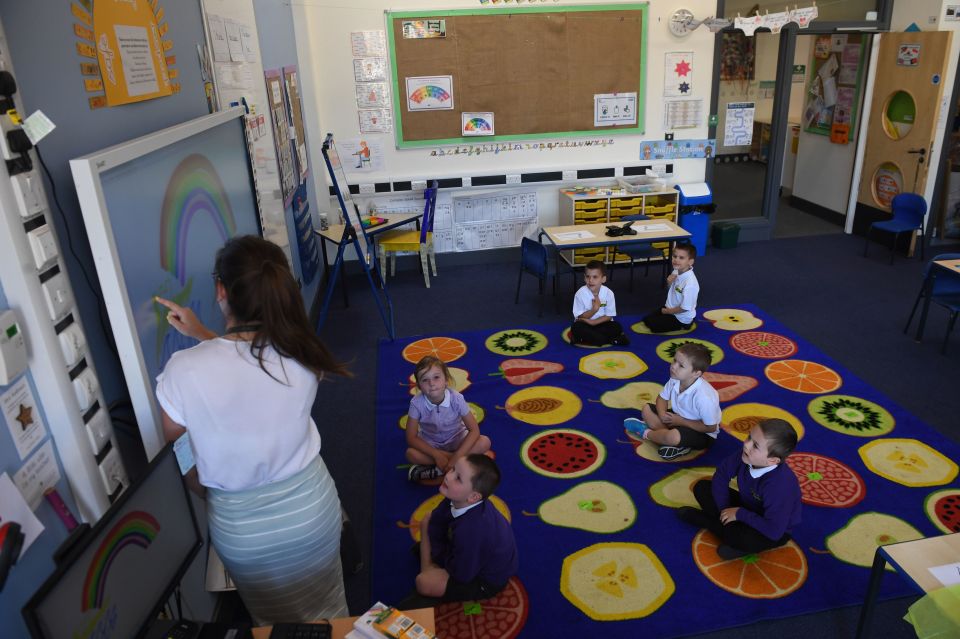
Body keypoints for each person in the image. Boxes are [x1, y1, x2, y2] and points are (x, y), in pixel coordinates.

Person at [154, 235, 350, 624]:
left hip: (241, 527)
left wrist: (206, 490)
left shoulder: (183, 369)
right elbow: (250, 365)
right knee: (332, 615)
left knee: (272, 625)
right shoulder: (303, 351)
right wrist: (206, 337)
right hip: (312, 509)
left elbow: (177, 442)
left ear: (220, 291)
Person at [676, 418, 801, 559]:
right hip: (748, 506)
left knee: (742, 538)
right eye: (749, 437)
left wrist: (739, 514)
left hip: (773, 528)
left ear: (772, 460)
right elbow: (721, 476)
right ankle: (726, 529)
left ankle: (709, 523)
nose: (746, 445)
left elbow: (774, 530)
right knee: (702, 487)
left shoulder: (780, 486)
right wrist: (724, 510)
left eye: (755, 446)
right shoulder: (745, 455)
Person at [411, 454, 518, 605]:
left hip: (484, 581)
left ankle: (428, 566)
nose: (448, 476)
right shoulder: (458, 497)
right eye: (453, 469)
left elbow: (462, 575)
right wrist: (438, 551)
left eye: (458, 478)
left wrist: (437, 554)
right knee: (427, 519)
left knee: (424, 582)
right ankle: (430, 564)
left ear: (473, 497)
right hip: (465, 555)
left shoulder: (471, 532)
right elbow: (437, 520)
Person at [624, 342, 720, 460]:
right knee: (647, 409)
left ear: (696, 373)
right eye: (674, 361)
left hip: (701, 433)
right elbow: (662, 399)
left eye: (681, 365)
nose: (673, 366)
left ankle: (646, 433)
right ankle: (670, 442)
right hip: (678, 418)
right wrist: (662, 413)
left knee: (673, 436)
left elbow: (711, 427)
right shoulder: (676, 379)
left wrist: (681, 422)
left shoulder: (704, 397)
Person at [406, 356, 491, 482]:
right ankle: (457, 465)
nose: (431, 383)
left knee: (484, 442)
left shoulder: (457, 399)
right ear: (418, 386)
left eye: (436, 377)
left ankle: (441, 469)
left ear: (446, 379)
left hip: (458, 438)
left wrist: (456, 456)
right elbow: (411, 437)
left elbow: (474, 431)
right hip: (432, 444)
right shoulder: (416, 403)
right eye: (425, 380)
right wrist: (437, 455)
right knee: (410, 454)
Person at [641, 243, 699, 333]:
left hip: (680, 318)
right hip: (670, 307)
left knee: (653, 326)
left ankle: (686, 325)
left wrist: (668, 312)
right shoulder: (677, 270)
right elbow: (673, 291)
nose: (676, 260)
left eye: (681, 258)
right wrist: (669, 283)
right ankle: (666, 316)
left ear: (690, 262)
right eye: (674, 256)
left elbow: (685, 307)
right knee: (646, 319)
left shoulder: (690, 284)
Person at [570, 259, 630, 347]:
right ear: (584, 277)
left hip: (602, 323)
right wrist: (594, 310)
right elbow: (580, 317)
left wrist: (594, 322)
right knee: (576, 327)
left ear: (603, 279)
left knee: (617, 326)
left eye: (595, 277)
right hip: (586, 324)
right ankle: (611, 339)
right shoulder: (580, 293)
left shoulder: (608, 293)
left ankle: (590, 339)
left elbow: (609, 316)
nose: (590, 280)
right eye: (588, 276)